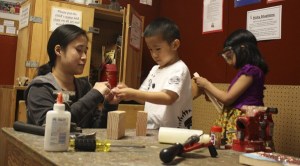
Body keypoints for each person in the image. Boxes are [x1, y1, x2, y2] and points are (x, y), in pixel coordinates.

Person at [24, 24, 119, 128]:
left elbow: (95, 128)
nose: (84, 57)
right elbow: (53, 126)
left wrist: (109, 105)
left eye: (85, 51)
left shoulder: (84, 87)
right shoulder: (40, 88)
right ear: (59, 50)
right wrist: (94, 94)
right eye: (79, 50)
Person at [114, 17, 193, 129]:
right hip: (152, 129)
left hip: (172, 132)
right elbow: (143, 97)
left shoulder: (179, 68)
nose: (154, 55)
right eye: (151, 50)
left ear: (175, 45)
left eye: (158, 49)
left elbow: (168, 98)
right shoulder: (155, 69)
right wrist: (128, 93)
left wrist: (133, 93)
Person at [193, 29, 269, 145]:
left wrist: (206, 84)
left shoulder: (251, 71)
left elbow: (228, 98)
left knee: (242, 150)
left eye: (229, 55)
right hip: (236, 118)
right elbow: (233, 99)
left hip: (245, 121)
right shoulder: (245, 71)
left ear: (243, 48)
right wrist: (212, 95)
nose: (228, 61)